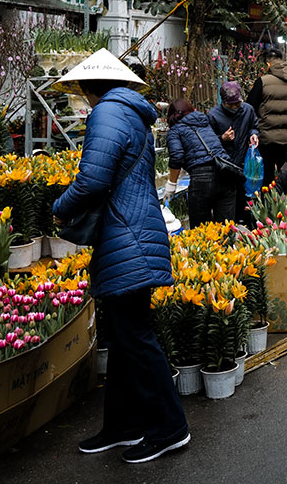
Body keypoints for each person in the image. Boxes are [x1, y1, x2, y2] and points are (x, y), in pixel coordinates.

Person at [50, 53, 189, 463]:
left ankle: (170, 429)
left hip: (125, 234)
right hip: (131, 232)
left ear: (92, 88)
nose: (81, 99)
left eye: (80, 91)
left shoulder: (107, 113)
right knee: (125, 337)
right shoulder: (130, 113)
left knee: (135, 338)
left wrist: (58, 206)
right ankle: (123, 427)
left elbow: (92, 180)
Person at [164, 99, 235, 228]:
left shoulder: (175, 131)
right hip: (226, 173)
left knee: (201, 232)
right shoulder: (204, 123)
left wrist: (171, 184)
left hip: (202, 177)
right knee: (226, 228)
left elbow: (177, 157)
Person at [248, 48, 287, 185]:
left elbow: (250, 108)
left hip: (266, 140)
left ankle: (268, 206)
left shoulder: (262, 82)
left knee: (267, 180)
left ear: (268, 64)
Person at [206, 80, 258, 223]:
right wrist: (222, 138)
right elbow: (207, 141)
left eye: (238, 103)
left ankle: (245, 225)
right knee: (227, 203)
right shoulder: (213, 115)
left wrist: (254, 134)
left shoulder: (248, 110)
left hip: (244, 162)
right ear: (223, 102)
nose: (235, 107)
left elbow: (254, 125)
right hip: (224, 166)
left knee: (245, 198)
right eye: (231, 104)